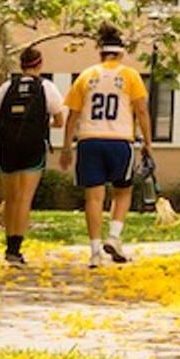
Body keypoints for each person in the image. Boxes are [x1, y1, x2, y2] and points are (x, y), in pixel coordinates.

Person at [61, 27, 153, 268]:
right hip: (119, 139)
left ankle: (94, 251)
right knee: (122, 190)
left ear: (100, 53)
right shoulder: (130, 76)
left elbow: (73, 115)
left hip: (89, 139)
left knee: (94, 197)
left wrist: (66, 147)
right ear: (121, 53)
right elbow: (141, 110)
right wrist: (148, 143)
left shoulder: (86, 76)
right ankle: (113, 236)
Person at [0, 48, 65, 267]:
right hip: (33, 149)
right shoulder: (46, 87)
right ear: (39, 65)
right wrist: (41, 125)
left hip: (8, 149)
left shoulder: (7, 86)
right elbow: (60, 120)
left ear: (21, 65)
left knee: (10, 199)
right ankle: (16, 249)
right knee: (24, 199)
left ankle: (8, 246)